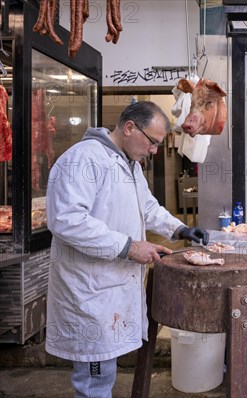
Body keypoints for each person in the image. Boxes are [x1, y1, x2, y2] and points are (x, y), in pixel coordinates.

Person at [44, 101, 208, 397]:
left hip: (112, 288)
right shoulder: (82, 160)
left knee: (105, 371)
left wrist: (179, 229)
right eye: (153, 142)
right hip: (89, 291)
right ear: (130, 127)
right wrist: (129, 247)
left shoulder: (128, 164)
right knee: (94, 379)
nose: (155, 150)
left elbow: (146, 206)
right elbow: (67, 220)